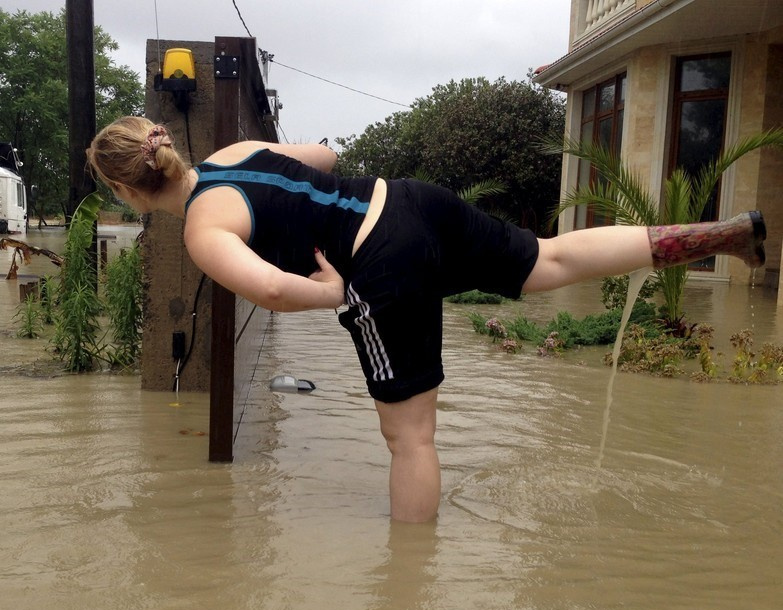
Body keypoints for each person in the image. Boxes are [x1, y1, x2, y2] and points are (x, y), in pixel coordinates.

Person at [86, 116, 767, 523]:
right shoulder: (231, 154)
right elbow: (323, 159)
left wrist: (337, 294)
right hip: (408, 199)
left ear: (125, 189)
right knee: (551, 258)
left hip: (381, 261)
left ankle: (407, 586)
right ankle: (721, 234)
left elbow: (271, 290)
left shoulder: (204, 229)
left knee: (409, 439)